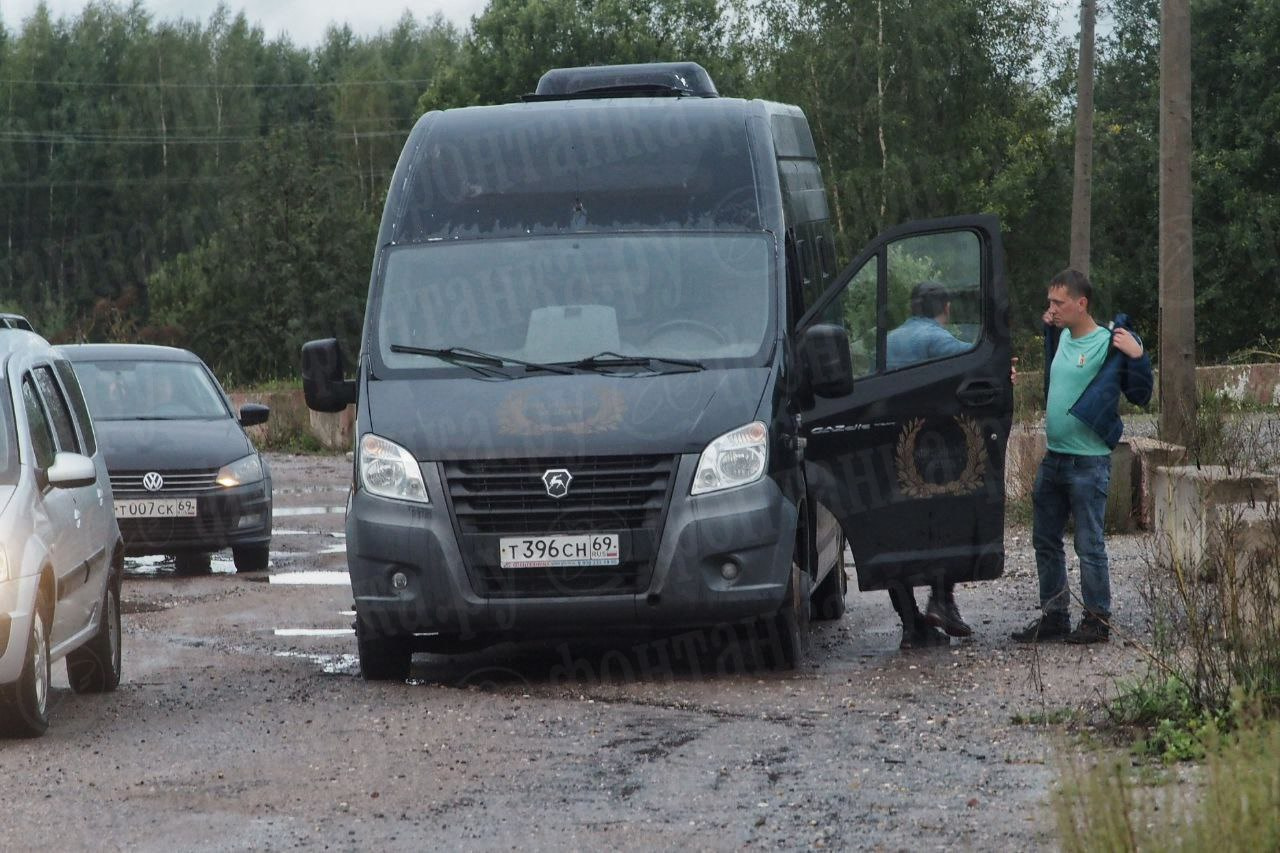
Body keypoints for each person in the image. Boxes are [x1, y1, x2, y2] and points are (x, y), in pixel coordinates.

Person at [1012, 269, 1152, 645]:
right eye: (1050, 302)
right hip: (1054, 457)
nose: (1051, 309)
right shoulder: (1059, 338)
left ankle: (1096, 620)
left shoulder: (1110, 344)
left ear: (1081, 303)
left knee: (1089, 544)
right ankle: (1054, 616)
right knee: (1044, 539)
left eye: (1058, 302)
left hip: (1088, 463)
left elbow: (1141, 394)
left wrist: (1139, 357)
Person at [885, 281, 976, 647]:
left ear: (911, 307)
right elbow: (980, 365)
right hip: (931, 450)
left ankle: (911, 626)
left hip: (887, 450)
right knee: (943, 524)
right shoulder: (938, 340)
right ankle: (942, 599)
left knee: (893, 537)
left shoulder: (889, 340)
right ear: (947, 308)